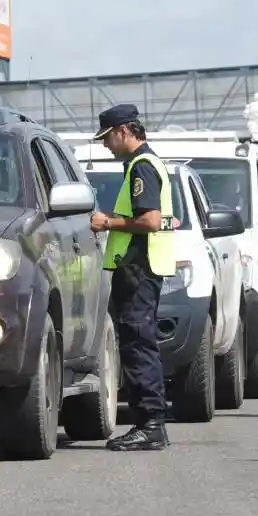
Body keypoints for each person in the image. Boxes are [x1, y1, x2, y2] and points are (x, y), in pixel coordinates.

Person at [89, 103, 175, 451]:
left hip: (139, 269)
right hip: (142, 268)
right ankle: (150, 423)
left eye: (108, 137)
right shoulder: (144, 164)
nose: (106, 145)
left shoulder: (142, 167)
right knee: (139, 345)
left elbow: (150, 220)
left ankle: (150, 425)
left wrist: (107, 222)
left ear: (124, 131)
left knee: (139, 347)